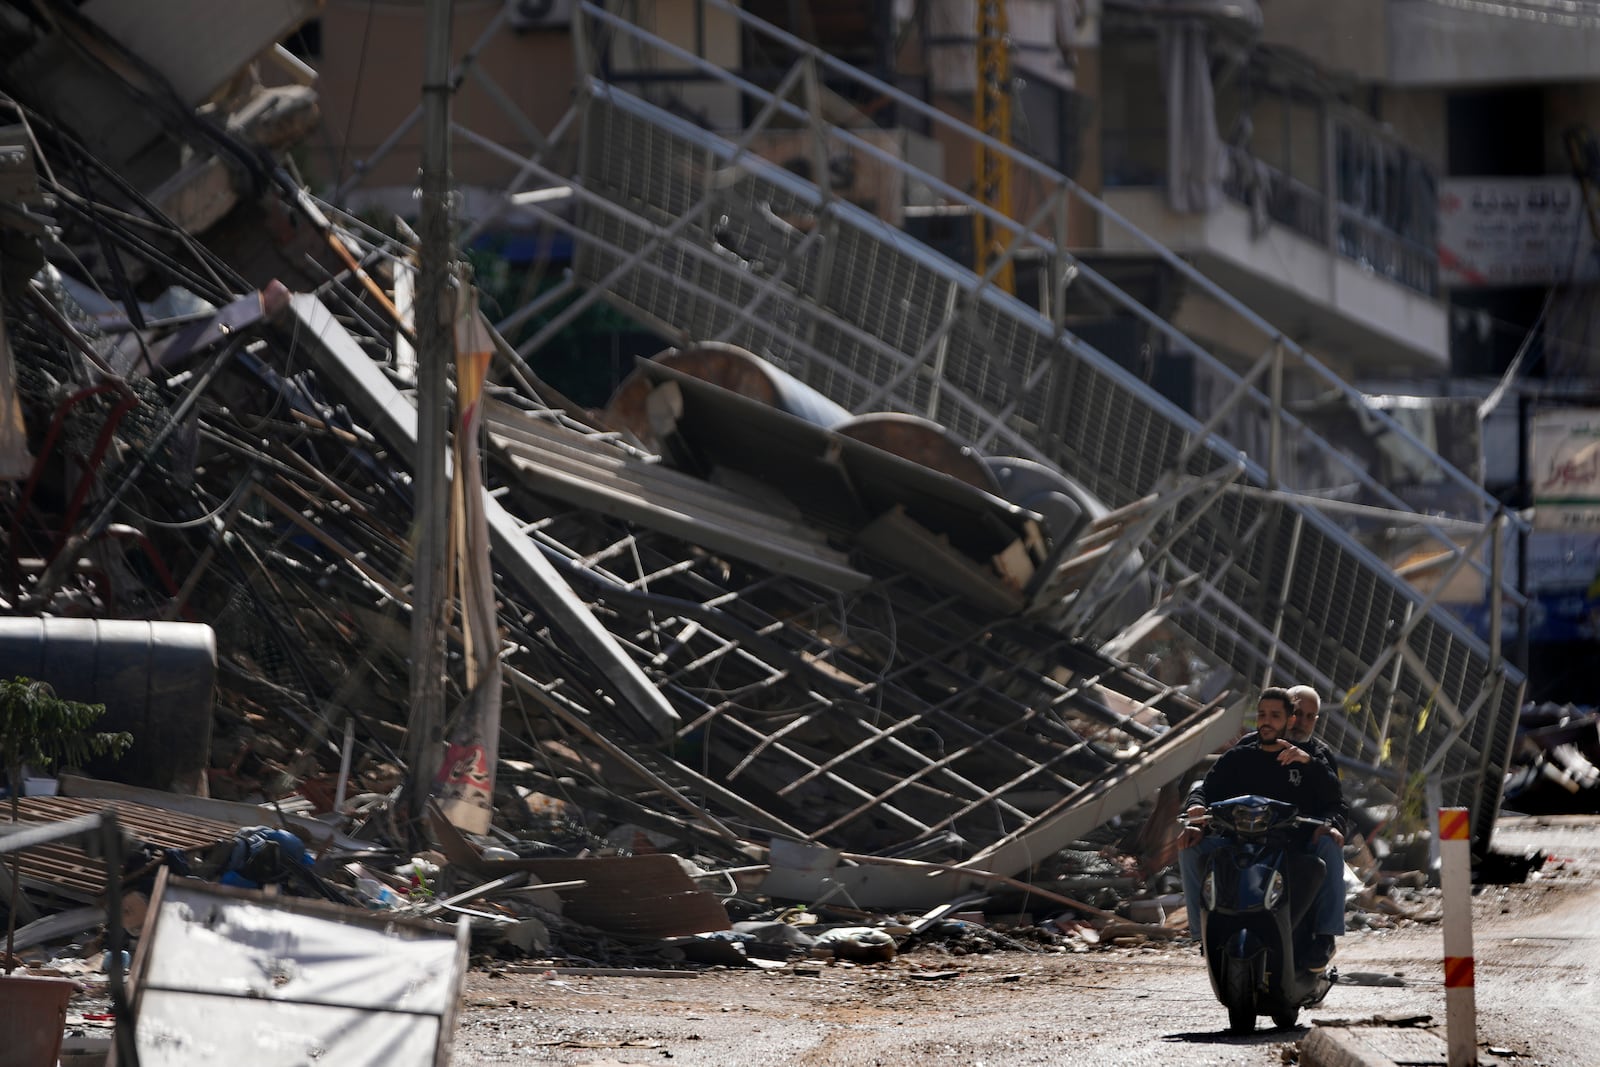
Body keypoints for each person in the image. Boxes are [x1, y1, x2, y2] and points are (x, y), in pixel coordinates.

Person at [1178, 686, 1346, 970]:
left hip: (1295, 844)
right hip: (1241, 841)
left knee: (1330, 846)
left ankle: (1325, 937)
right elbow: (1208, 789)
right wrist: (1197, 819)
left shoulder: (1314, 756)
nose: (1301, 722)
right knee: (1189, 849)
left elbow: (1336, 801)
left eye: (1309, 716)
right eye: (1263, 715)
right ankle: (1203, 934)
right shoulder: (1244, 751)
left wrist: (1329, 825)